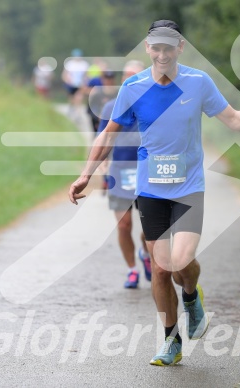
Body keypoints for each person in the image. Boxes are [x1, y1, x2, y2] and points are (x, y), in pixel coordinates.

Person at [68, 20, 240, 366]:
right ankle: (171, 340)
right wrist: (86, 174)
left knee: (180, 264)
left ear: (179, 48)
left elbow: (234, 120)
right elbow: (108, 134)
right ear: (147, 48)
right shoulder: (133, 87)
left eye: (168, 47)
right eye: (155, 47)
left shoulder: (198, 83)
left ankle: (190, 295)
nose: (161, 54)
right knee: (160, 269)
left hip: (189, 188)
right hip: (150, 190)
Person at [97, 60, 151, 289]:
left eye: (136, 76)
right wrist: (101, 170)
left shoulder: (153, 106)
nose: (132, 81)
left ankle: (145, 253)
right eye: (128, 76)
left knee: (150, 229)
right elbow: (103, 139)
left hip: (147, 172)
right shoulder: (111, 108)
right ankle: (131, 270)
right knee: (123, 225)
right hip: (119, 171)